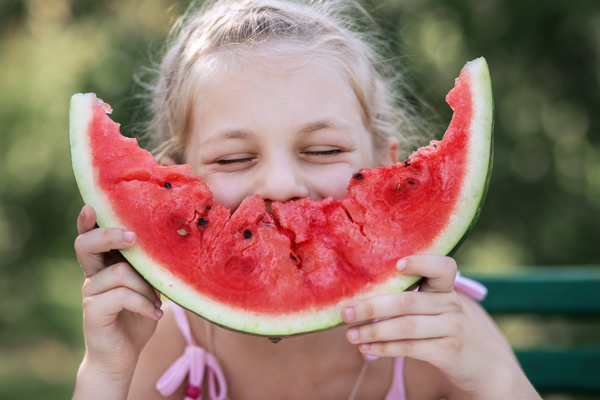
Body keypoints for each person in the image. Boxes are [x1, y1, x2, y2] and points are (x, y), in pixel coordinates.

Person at [72, 1, 542, 399]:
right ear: (174, 181)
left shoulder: (441, 339)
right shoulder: (165, 342)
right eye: (234, 159)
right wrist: (107, 372)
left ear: (387, 168)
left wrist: (496, 377)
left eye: (323, 150)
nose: (280, 184)